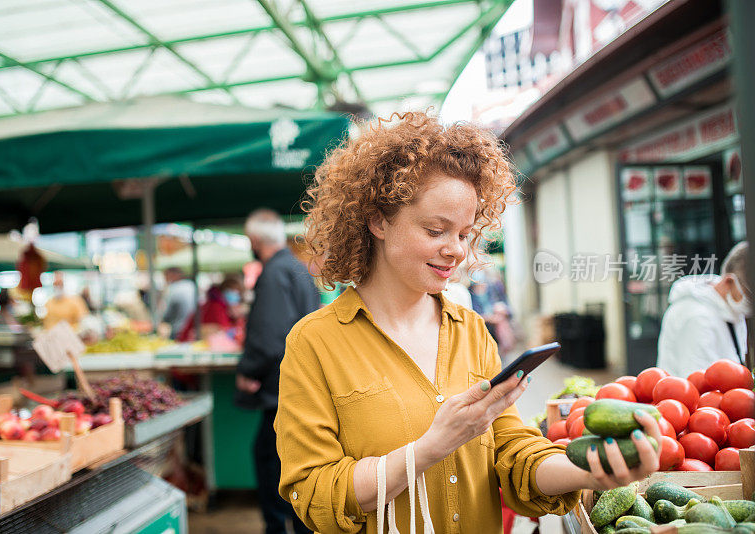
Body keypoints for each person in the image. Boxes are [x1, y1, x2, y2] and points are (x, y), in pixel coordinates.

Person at [274, 112, 661, 533]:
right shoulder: (314, 343)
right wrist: (431, 447)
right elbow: (313, 494)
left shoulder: (471, 331)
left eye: (463, 234)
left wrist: (590, 471)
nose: (455, 251)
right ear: (378, 220)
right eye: (436, 230)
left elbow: (513, 453)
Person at [235, 208, 320, 534]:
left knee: (271, 461)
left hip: (278, 386)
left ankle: (278, 527)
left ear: (255, 240)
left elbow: (270, 338)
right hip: (298, 384)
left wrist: (249, 371)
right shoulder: (298, 270)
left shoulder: (272, 274)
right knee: (289, 461)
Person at [657, 242, 750, 377]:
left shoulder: (729, 309)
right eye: (749, 297)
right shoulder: (696, 316)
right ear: (728, 281)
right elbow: (699, 382)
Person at [158, 267, 196, 340]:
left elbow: (165, 313)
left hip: (178, 331)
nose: (165, 279)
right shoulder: (192, 285)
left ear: (173, 275)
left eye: (166, 276)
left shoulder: (173, 289)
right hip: (193, 330)